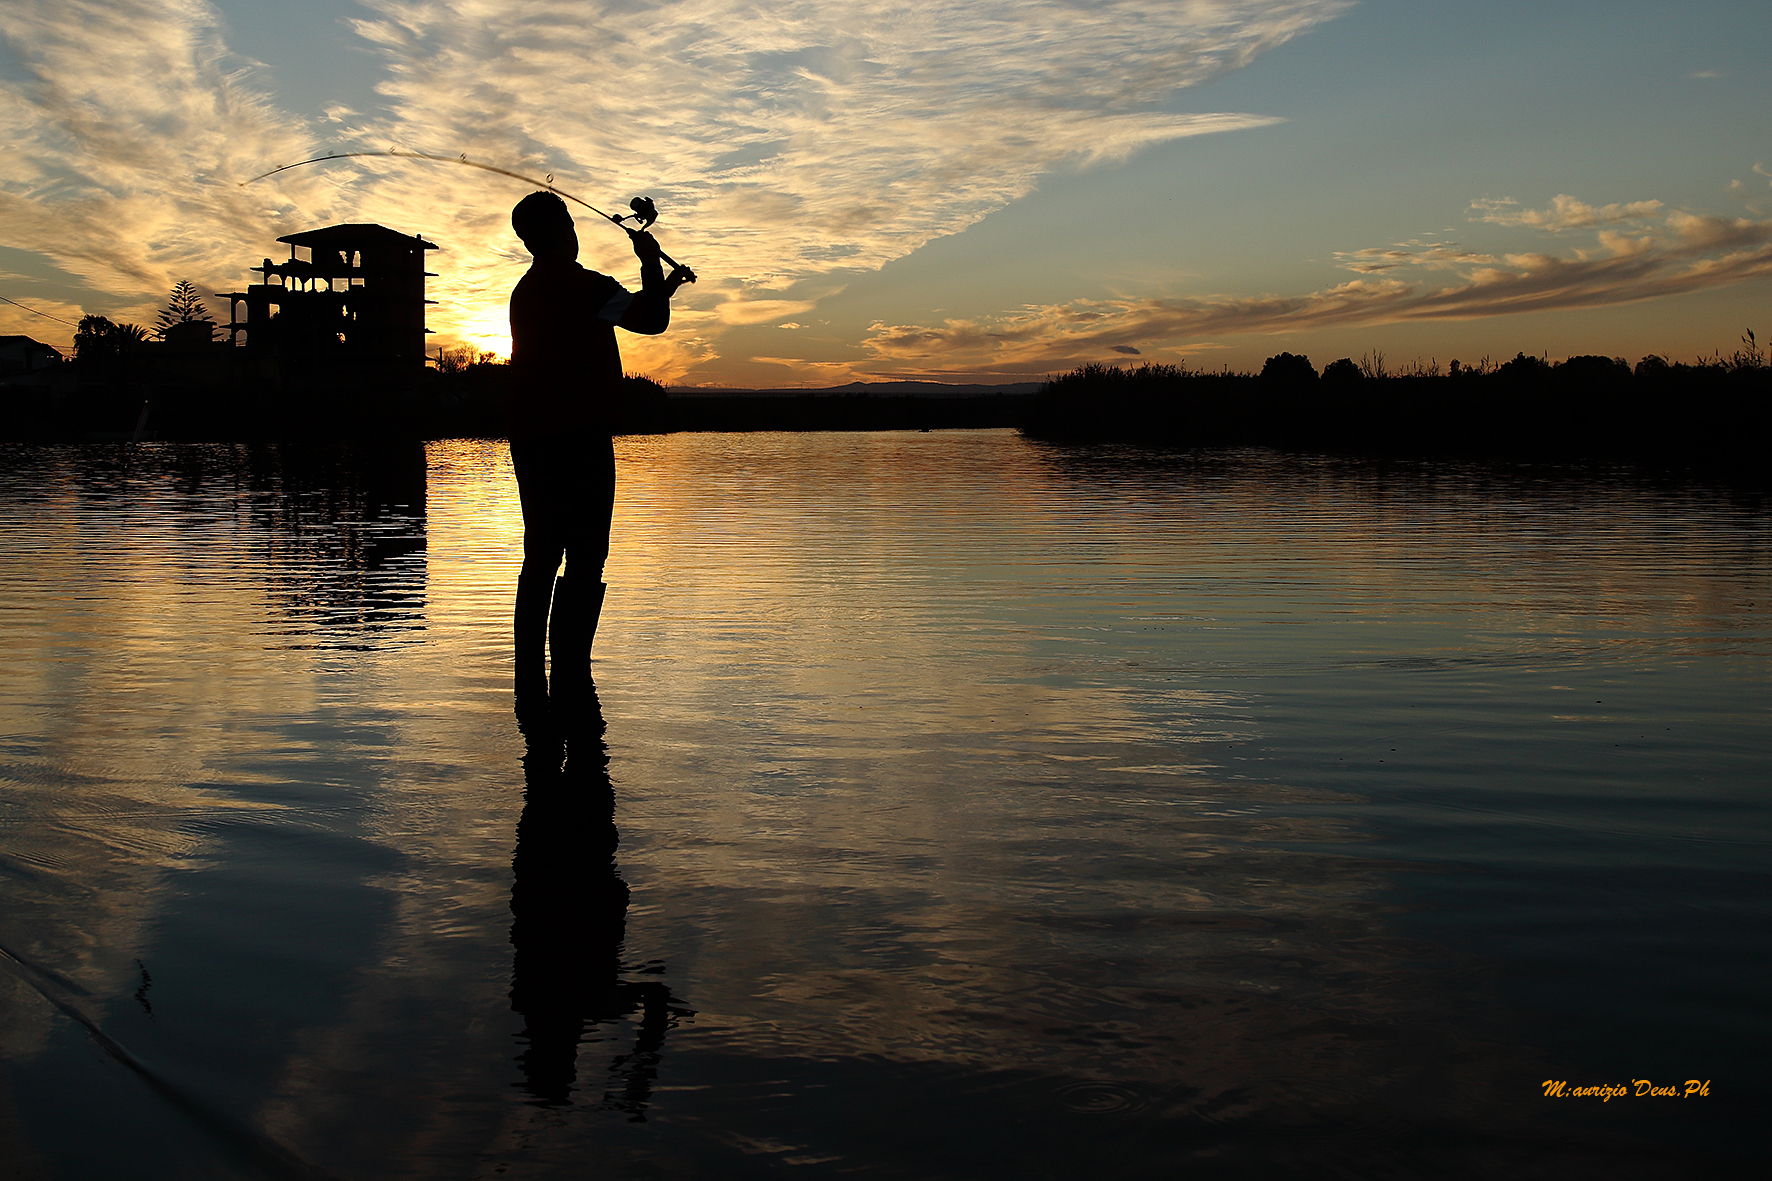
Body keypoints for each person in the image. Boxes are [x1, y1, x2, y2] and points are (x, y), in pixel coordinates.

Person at [507, 191, 692, 704]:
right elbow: (651, 320)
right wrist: (651, 265)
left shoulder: (526, 291)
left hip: (532, 440)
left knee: (541, 554)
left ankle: (530, 676)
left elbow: (637, 309)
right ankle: (571, 671)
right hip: (582, 437)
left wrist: (663, 284)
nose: (573, 229)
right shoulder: (589, 286)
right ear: (557, 233)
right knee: (587, 556)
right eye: (567, 222)